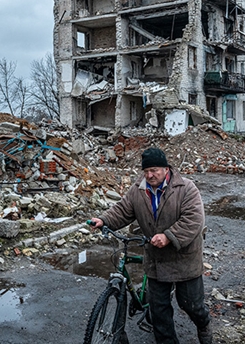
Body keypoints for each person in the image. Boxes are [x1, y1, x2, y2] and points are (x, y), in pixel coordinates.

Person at [90, 147, 212, 344]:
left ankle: (204, 324)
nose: (150, 175)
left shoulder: (186, 188)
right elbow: (123, 210)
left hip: (184, 258)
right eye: (146, 171)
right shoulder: (138, 189)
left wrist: (169, 236)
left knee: (191, 306)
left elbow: (194, 219)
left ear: (166, 169)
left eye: (154, 170)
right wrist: (104, 220)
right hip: (156, 259)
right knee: (159, 311)